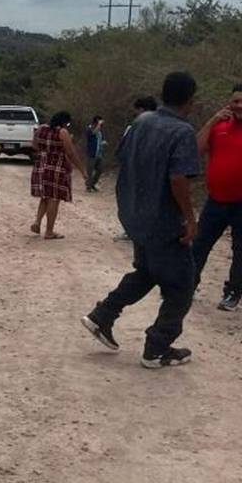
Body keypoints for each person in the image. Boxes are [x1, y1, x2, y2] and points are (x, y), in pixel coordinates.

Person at [82, 72, 200, 369]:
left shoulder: (140, 122)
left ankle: (102, 316)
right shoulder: (182, 131)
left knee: (147, 271)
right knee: (183, 284)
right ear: (190, 99)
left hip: (136, 216)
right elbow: (178, 180)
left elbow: (123, 159)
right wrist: (189, 218)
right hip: (164, 221)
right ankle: (157, 348)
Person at [191, 84, 242, 311]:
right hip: (216, 200)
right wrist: (212, 120)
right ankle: (187, 286)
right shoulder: (219, 126)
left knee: (240, 250)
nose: (238, 106)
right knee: (199, 245)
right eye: (235, 101)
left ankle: (233, 293)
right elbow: (194, 149)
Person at [30, 111, 87, 239]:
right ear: (65, 122)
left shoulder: (41, 129)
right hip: (57, 168)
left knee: (44, 196)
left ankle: (37, 222)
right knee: (54, 199)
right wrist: (82, 170)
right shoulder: (62, 132)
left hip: (40, 166)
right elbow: (71, 153)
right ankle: (49, 231)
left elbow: (34, 145)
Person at [114, 96, 159, 241]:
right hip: (153, 173)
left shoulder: (134, 126)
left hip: (133, 172)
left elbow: (123, 150)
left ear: (141, 109)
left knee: (129, 200)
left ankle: (132, 230)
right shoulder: (163, 126)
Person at [85, 115, 107, 192]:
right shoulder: (89, 128)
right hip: (91, 153)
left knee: (100, 170)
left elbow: (99, 139)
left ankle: (92, 184)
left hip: (99, 153)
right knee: (90, 171)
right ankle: (89, 186)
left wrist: (103, 142)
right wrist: (98, 125)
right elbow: (93, 133)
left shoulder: (100, 130)